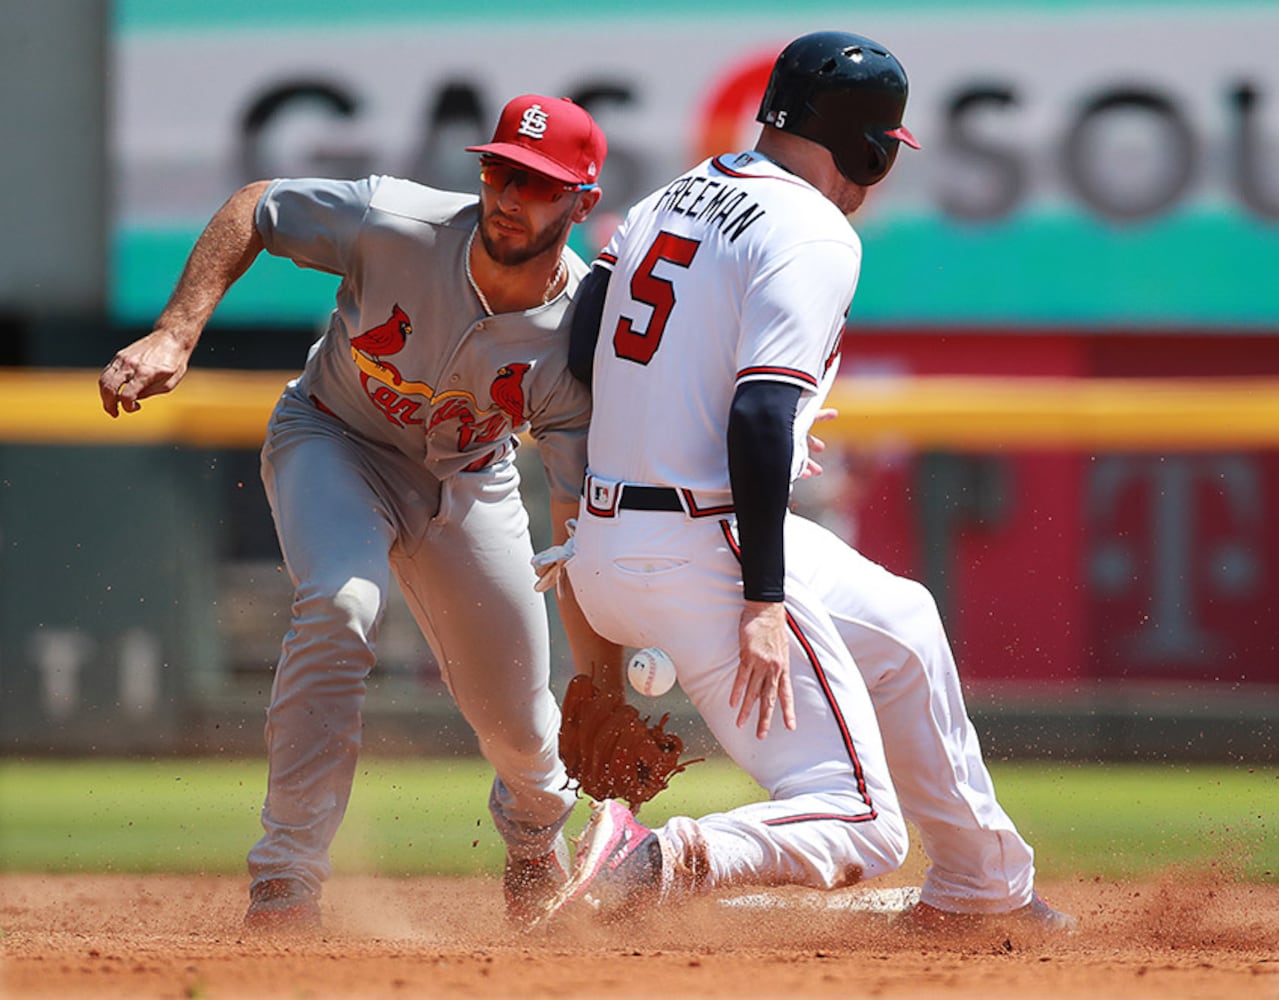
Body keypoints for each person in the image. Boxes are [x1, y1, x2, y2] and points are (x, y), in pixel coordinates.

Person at [540, 32, 1076, 933]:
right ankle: (654, 859)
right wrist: (763, 601)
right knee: (861, 824)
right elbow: (757, 416)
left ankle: (984, 885)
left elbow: (584, 345)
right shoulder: (812, 229)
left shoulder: (669, 197)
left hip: (609, 543)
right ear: (868, 145)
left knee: (902, 622)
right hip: (708, 551)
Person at [98, 94, 621, 931]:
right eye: (499, 170)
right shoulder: (396, 221)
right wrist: (175, 330)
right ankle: (285, 881)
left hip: (469, 482)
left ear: (583, 201)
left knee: (525, 735)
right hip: (335, 440)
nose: (508, 194)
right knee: (342, 607)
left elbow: (573, 518)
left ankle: (532, 840)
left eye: (537, 182)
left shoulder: (579, 334)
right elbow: (256, 207)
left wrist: (604, 677)